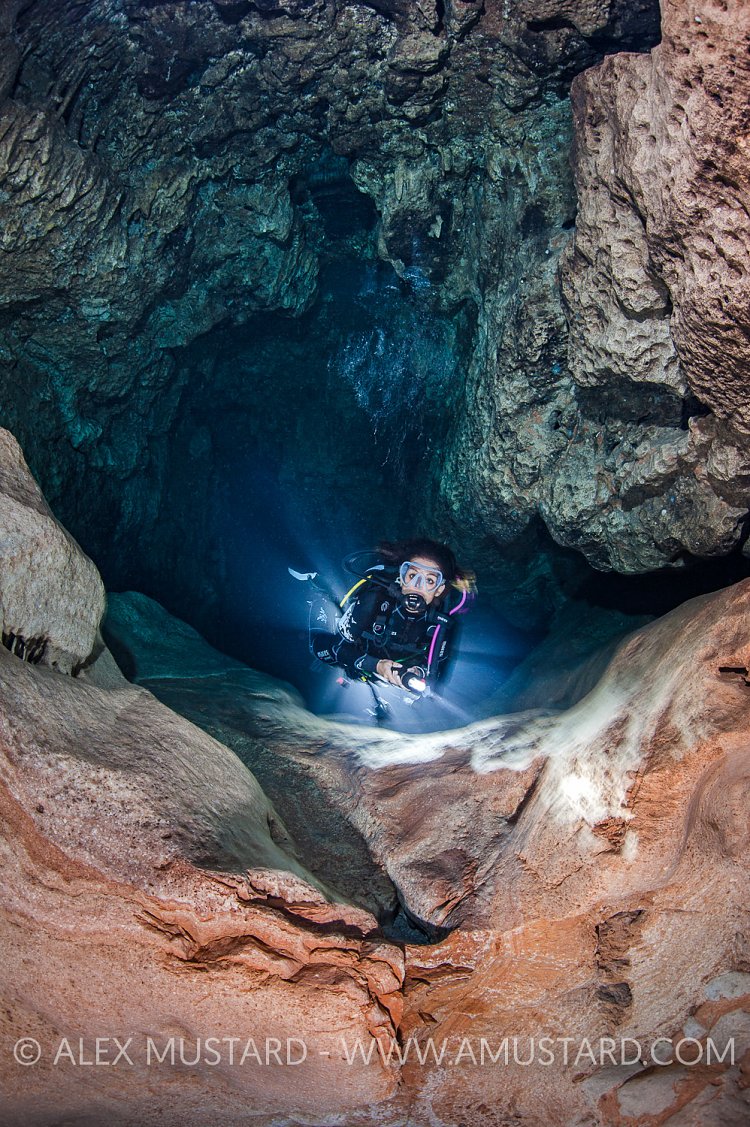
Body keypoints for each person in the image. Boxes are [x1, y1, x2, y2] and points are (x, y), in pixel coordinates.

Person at [310, 537, 474, 694]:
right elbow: (323, 646)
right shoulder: (375, 600)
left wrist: (419, 672)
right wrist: (376, 665)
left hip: (386, 675)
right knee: (327, 653)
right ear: (402, 578)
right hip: (358, 660)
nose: (417, 586)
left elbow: (436, 678)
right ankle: (319, 590)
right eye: (412, 576)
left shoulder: (442, 623)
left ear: (439, 589)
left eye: (429, 581)